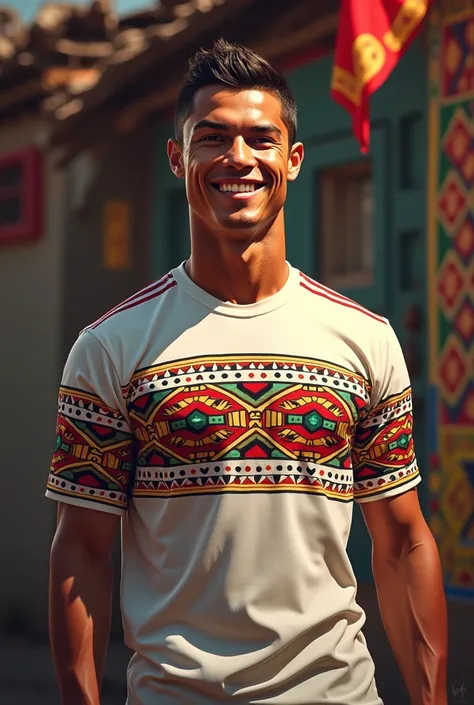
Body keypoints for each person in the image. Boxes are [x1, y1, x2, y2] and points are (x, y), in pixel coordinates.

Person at [47, 39, 447, 705]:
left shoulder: (365, 339)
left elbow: (403, 542)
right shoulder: (110, 347)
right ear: (177, 158)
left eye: (261, 138)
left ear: (293, 157)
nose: (238, 158)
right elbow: (82, 552)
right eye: (212, 137)